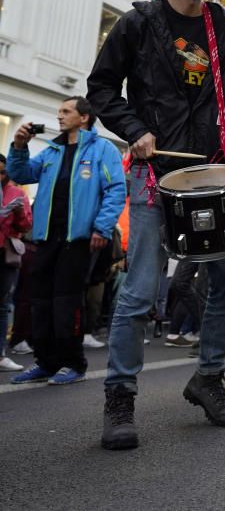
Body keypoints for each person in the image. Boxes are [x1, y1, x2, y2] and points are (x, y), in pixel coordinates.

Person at [87, 0, 225, 450]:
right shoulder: (139, 24)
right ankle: (120, 396)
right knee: (138, 291)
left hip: (211, 174)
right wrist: (134, 130)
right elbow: (100, 89)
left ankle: (208, 377)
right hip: (154, 173)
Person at [7, 97, 126, 386]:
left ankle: (73, 363)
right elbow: (20, 173)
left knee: (66, 301)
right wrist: (19, 147)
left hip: (79, 239)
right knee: (41, 301)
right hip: (46, 238)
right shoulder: (52, 149)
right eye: (58, 111)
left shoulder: (102, 150)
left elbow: (115, 189)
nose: (59, 116)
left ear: (84, 117)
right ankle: (45, 362)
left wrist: (101, 227)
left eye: (66, 111)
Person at [0, 153, 32, 373]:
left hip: (5, 255)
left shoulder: (16, 193)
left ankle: (1, 354)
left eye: (2, 171)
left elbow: (26, 225)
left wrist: (18, 210)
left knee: (2, 305)